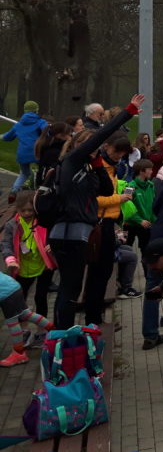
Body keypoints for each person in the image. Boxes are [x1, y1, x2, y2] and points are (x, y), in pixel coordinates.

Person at [50, 94, 144, 329]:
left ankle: (74, 331)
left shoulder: (88, 167)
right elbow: (104, 133)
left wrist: (98, 165)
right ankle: (62, 335)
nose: (97, 149)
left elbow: (105, 189)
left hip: (82, 230)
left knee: (76, 285)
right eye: (94, 146)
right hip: (69, 231)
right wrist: (128, 111)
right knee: (70, 288)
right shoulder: (72, 161)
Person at [2, 191, 57, 324]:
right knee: (21, 297)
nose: (27, 213)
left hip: (44, 265)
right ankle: (23, 327)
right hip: (23, 267)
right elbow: (6, 244)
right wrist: (10, 260)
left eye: (30, 210)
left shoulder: (43, 222)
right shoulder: (12, 226)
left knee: (41, 297)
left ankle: (42, 328)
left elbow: (54, 233)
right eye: (23, 211)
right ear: (17, 209)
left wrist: (53, 244)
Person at [0, 265, 52, 367]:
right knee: (26, 314)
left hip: (6, 293)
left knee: (12, 322)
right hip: (13, 286)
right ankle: (54, 331)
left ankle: (19, 354)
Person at [2, 101, 49, 195]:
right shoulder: (41, 122)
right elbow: (47, 133)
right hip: (37, 152)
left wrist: (1, 136)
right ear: (36, 110)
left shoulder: (18, 125)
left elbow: (8, 137)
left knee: (24, 173)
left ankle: (14, 191)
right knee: (45, 170)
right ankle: (41, 192)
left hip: (22, 154)